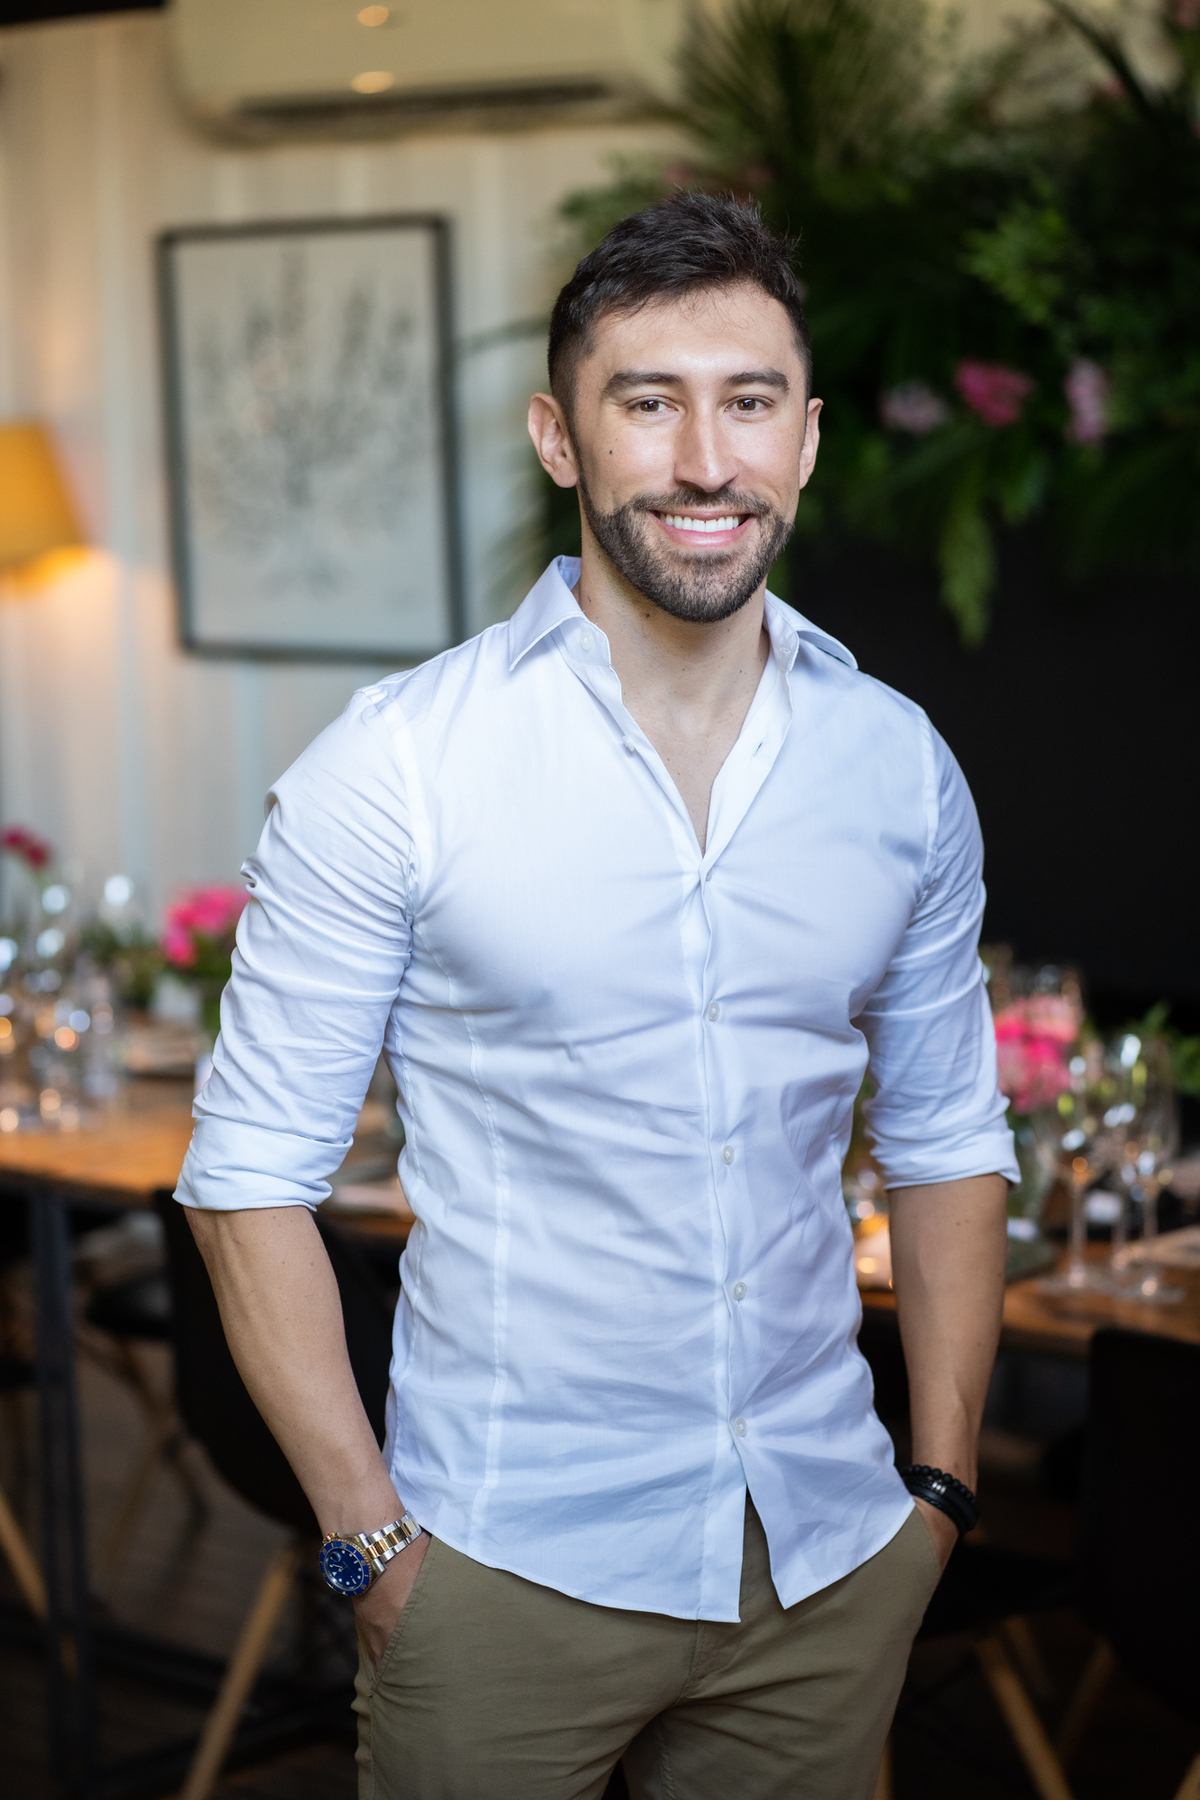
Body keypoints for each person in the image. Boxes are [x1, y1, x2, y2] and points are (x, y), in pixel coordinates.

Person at [178, 192, 1016, 1800]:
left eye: (749, 402)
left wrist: (942, 1491)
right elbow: (246, 1182)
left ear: (808, 440)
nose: (707, 461)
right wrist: (369, 1545)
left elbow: (948, 1137)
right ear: (560, 439)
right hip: (502, 1565)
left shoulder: (898, 765)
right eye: (649, 403)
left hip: (830, 1556)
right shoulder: (399, 768)